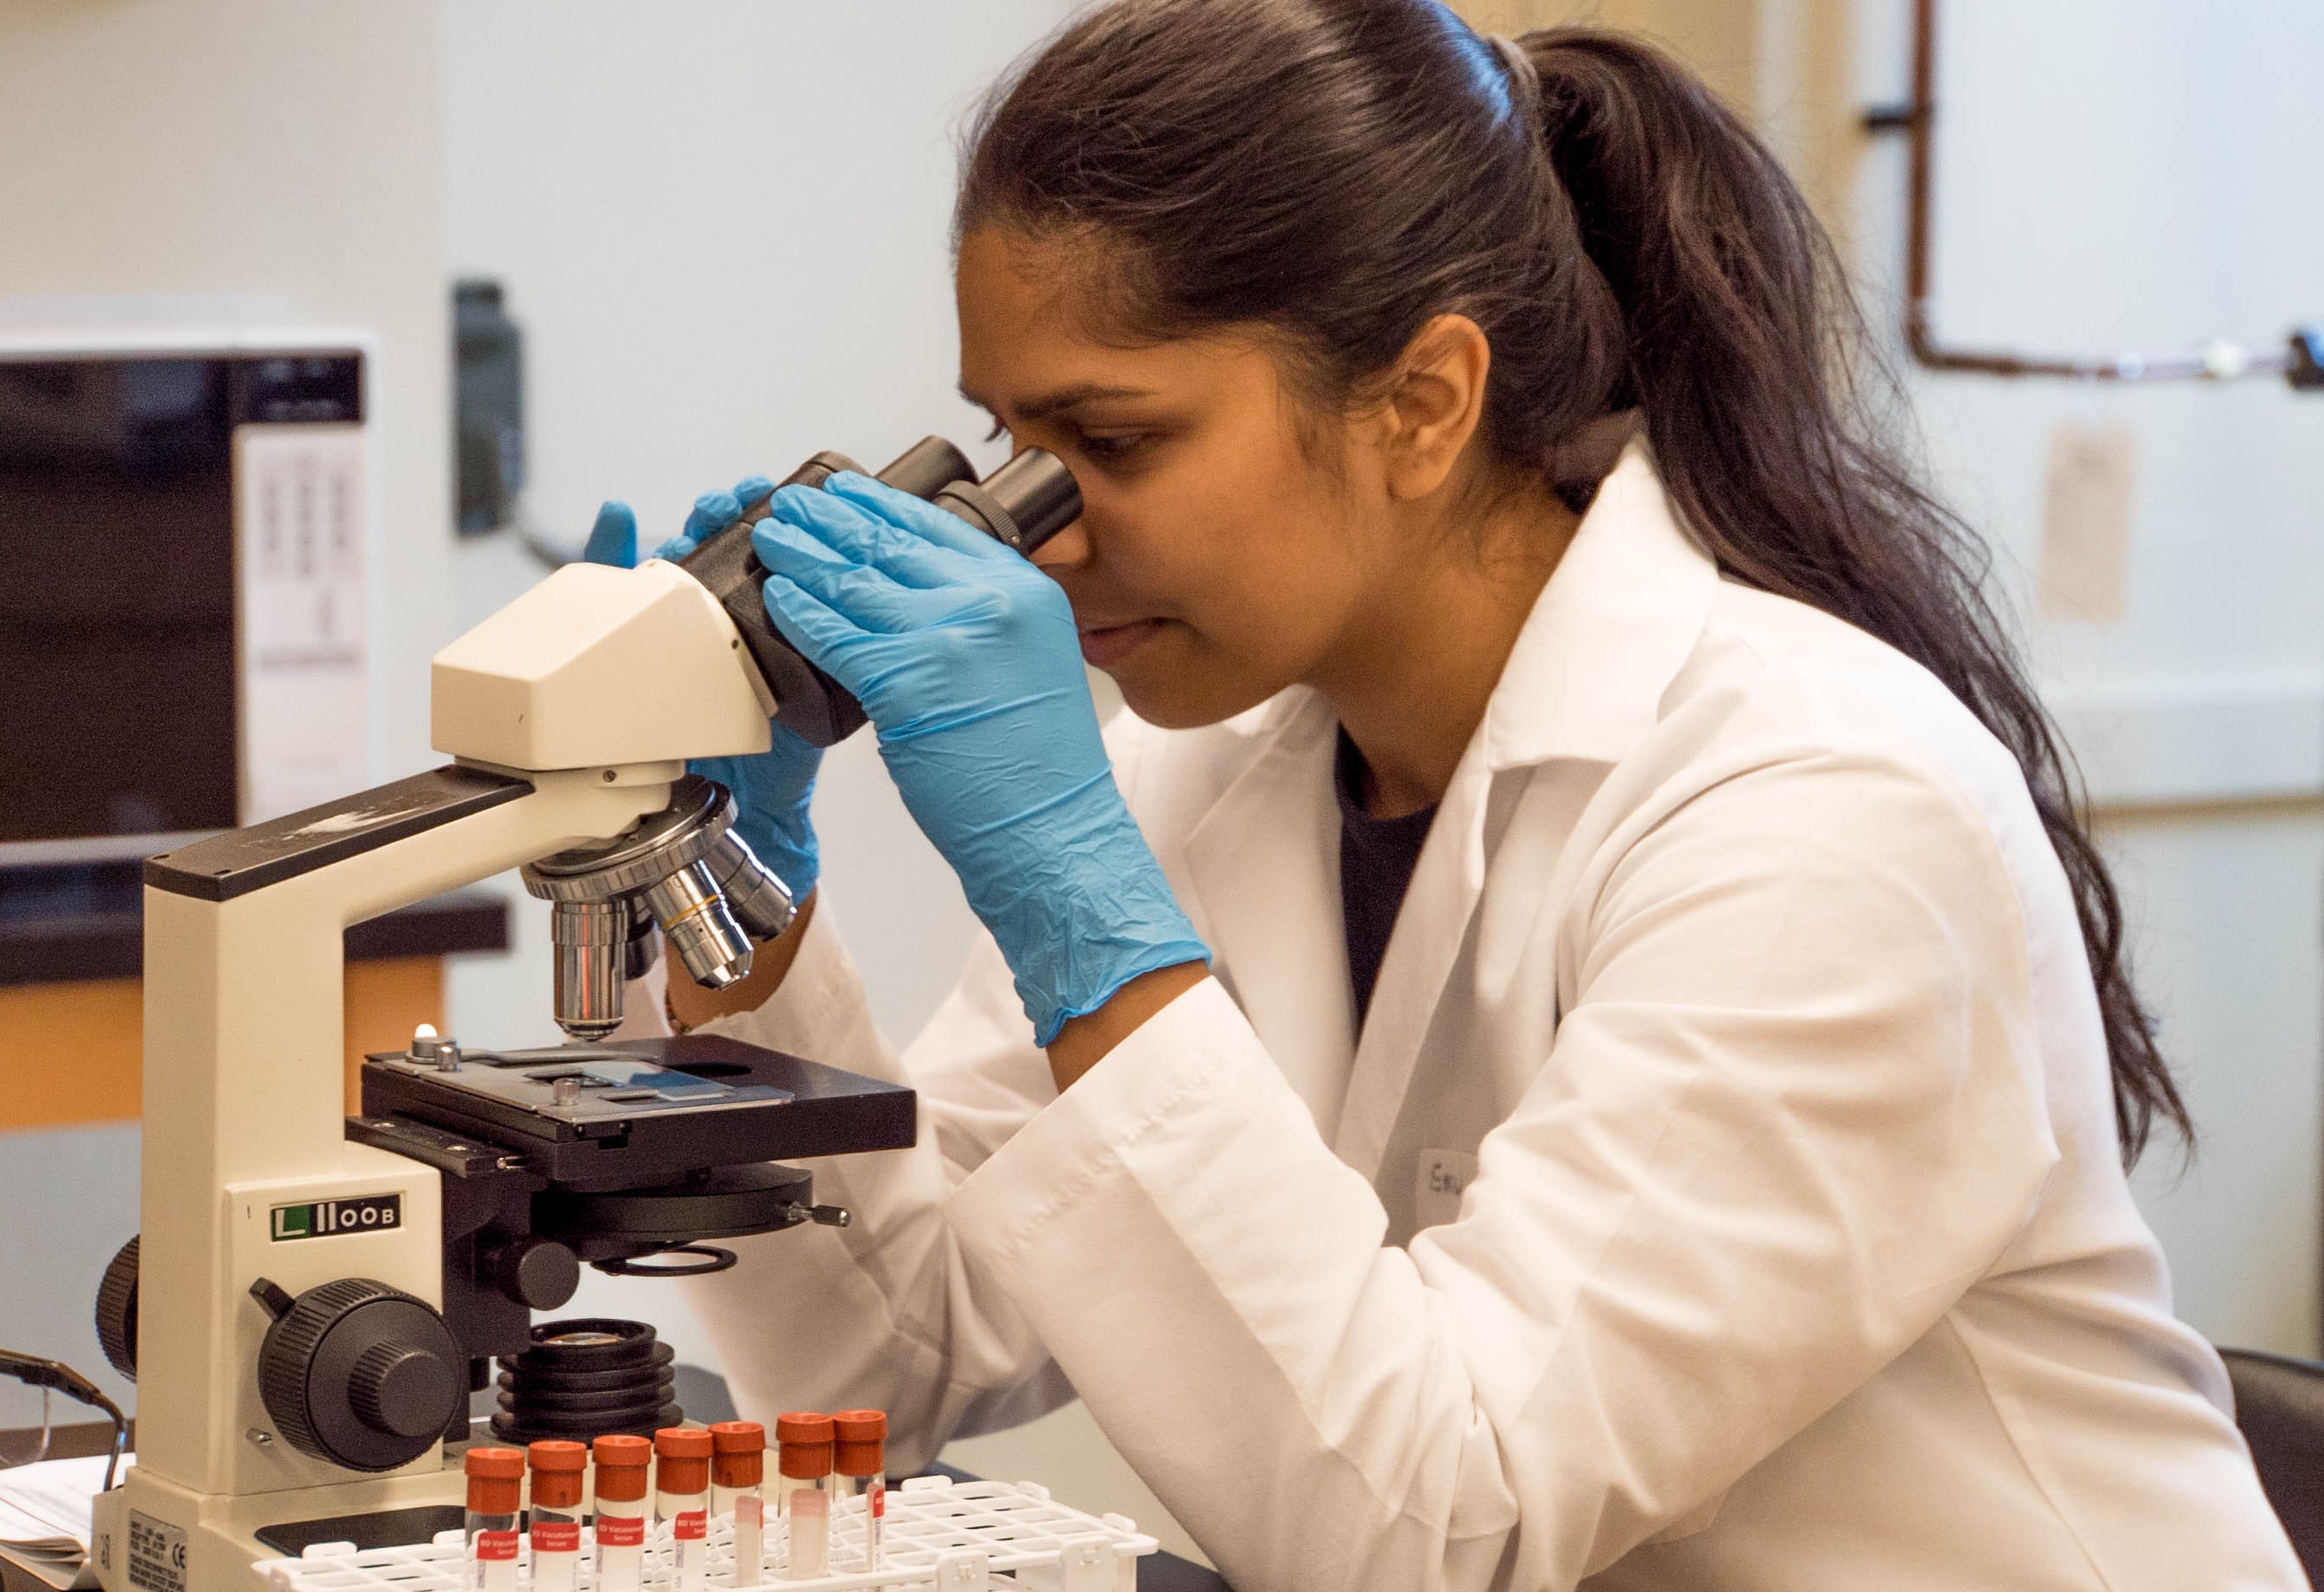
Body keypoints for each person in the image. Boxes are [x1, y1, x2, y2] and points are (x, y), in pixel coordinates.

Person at [586, 3, 2304, 1586]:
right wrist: (732, 894)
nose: (1041, 529)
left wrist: (1076, 909)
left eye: (1111, 442)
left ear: (1420, 404)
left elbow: (1435, 1525)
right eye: (1008, 443)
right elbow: (896, 1361)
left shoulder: (1820, 807)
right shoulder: (1208, 774)